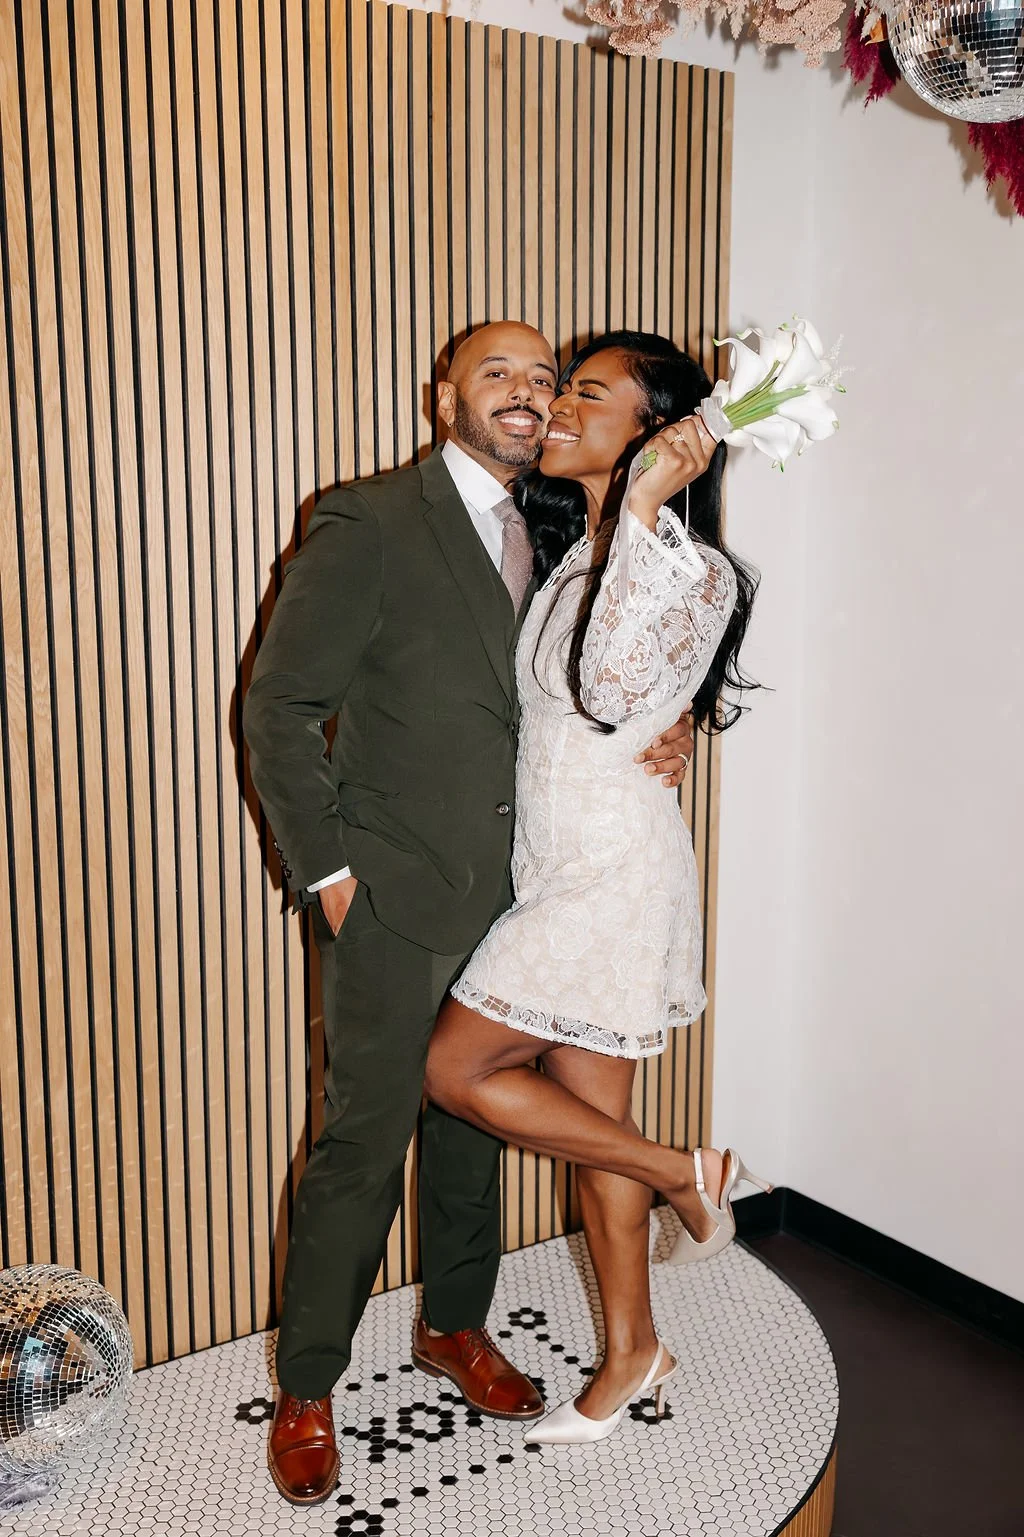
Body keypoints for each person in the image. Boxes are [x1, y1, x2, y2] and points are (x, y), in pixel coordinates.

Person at [242, 321, 696, 1504]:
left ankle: (454, 1325)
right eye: (498, 372)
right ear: (444, 390)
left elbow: (591, 683)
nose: (526, 392)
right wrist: (329, 876)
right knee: (362, 1137)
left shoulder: (561, 529)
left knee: (473, 1134)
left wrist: (670, 728)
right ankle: (306, 1381)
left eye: (543, 378)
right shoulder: (368, 517)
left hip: (529, 891)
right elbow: (278, 709)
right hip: (392, 892)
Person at [424, 331, 768, 1447]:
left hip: (611, 874)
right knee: (593, 1133)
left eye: (585, 393)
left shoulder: (684, 561)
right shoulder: (585, 548)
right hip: (563, 860)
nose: (556, 408)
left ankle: (686, 1171)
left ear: (656, 432)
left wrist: (647, 508)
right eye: (558, 389)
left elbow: (618, 689)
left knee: (456, 1066)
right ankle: (633, 1351)